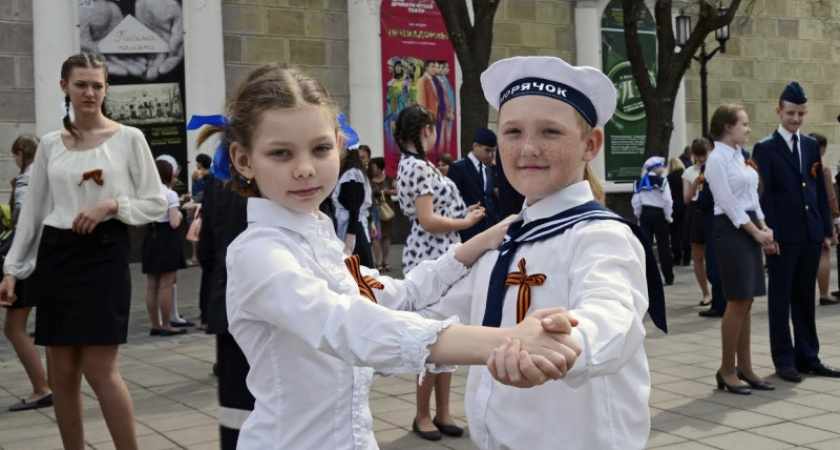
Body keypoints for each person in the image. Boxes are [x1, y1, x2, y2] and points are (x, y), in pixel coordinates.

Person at [218, 63, 581, 449]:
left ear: (340, 145)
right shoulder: (257, 253)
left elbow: (396, 295)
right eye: (281, 154)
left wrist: (476, 244)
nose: (305, 169)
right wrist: (505, 340)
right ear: (244, 160)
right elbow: (348, 324)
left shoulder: (318, 238)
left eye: (320, 149)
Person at [417, 55, 667, 450]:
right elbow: (442, 311)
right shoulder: (506, 238)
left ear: (590, 144)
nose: (528, 147)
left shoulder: (601, 236)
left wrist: (565, 347)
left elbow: (612, 312)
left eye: (550, 132)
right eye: (512, 131)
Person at [0, 53, 167, 450]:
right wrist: (13, 269)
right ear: (65, 88)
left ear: (106, 88)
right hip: (58, 256)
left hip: (105, 254)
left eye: (97, 85)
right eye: (81, 85)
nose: (89, 92)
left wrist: (112, 205)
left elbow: (155, 203)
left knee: (99, 367)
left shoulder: (129, 138)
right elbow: (34, 212)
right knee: (62, 373)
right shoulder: (50, 145)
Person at [395, 104, 487, 440]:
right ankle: (423, 414)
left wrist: (465, 214)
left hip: (440, 254)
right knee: (430, 339)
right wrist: (466, 222)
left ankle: (442, 411)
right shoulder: (417, 167)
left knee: (448, 336)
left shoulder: (418, 165)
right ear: (425, 131)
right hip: (430, 257)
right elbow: (428, 220)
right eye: (433, 128)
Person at [753, 82, 840, 382]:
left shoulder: (811, 145)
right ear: (779, 111)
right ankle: (784, 359)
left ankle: (809, 356)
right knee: (781, 299)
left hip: (810, 233)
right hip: (782, 234)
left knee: (805, 296)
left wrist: (826, 229)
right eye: (791, 113)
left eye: (801, 113)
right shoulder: (765, 148)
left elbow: (816, 189)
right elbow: (764, 195)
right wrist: (769, 233)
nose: (796, 119)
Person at [704, 104, 775, 395]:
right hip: (731, 231)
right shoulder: (716, 160)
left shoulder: (739, 156)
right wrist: (756, 232)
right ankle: (726, 369)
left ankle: (745, 368)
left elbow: (750, 196)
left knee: (747, 301)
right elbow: (730, 205)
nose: (748, 129)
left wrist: (765, 226)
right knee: (736, 301)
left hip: (748, 230)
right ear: (727, 128)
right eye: (743, 124)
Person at [3, 135, 52, 412]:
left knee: (14, 328)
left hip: (25, 262)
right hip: (46, 260)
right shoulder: (46, 176)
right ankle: (48, 385)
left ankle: (42, 388)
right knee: (39, 327)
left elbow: (25, 218)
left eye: (15, 155)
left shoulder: (26, 180)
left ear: (21, 154)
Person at [142, 160, 188, 337]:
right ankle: (167, 324)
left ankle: (155, 324)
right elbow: (174, 223)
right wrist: (180, 213)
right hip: (167, 238)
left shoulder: (147, 194)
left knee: (151, 284)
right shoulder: (170, 194)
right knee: (166, 285)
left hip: (151, 236)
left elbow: (140, 222)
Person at [446, 127, 500, 242]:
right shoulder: (458, 168)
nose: (490, 155)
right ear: (476, 146)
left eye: (492, 151)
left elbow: (489, 199)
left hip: (488, 228)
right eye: (487, 150)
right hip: (467, 231)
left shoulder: (488, 170)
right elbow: (450, 199)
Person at [631, 156, 675, 285]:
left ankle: (647, 278)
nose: (663, 168)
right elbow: (667, 200)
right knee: (664, 246)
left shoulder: (638, 182)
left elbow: (636, 202)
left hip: (645, 214)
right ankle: (668, 277)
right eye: (661, 165)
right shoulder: (663, 182)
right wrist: (668, 216)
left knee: (646, 246)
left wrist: (639, 216)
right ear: (655, 168)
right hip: (659, 214)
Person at [809, 133, 840, 305]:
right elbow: (830, 197)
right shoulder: (823, 169)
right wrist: (836, 217)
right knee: (824, 253)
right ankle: (823, 293)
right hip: (822, 216)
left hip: (805, 216)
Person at [332, 145, 375, 268]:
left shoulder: (352, 175)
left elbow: (354, 210)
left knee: (359, 275)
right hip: (353, 227)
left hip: (353, 231)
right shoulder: (351, 173)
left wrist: (348, 246)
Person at [682, 139, 713, 305]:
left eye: (704, 155)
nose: (701, 159)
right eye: (698, 155)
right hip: (695, 211)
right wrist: (695, 183)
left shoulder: (715, 168)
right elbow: (686, 198)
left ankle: (719, 291)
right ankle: (705, 293)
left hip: (711, 210)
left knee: (713, 254)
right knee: (698, 255)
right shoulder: (688, 172)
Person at [369, 157, 396, 272]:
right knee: (376, 236)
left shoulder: (389, 179)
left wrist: (387, 192)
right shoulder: (368, 179)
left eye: (373, 166)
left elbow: (397, 190)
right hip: (373, 212)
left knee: (386, 236)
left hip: (387, 211)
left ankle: (386, 261)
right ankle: (378, 261)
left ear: (380, 168)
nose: (371, 169)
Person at [667, 156, 689, 265]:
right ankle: (687, 258)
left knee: (675, 233)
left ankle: (677, 257)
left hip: (674, 206)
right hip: (686, 205)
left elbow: (668, 194)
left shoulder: (669, 177)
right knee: (686, 232)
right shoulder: (686, 175)